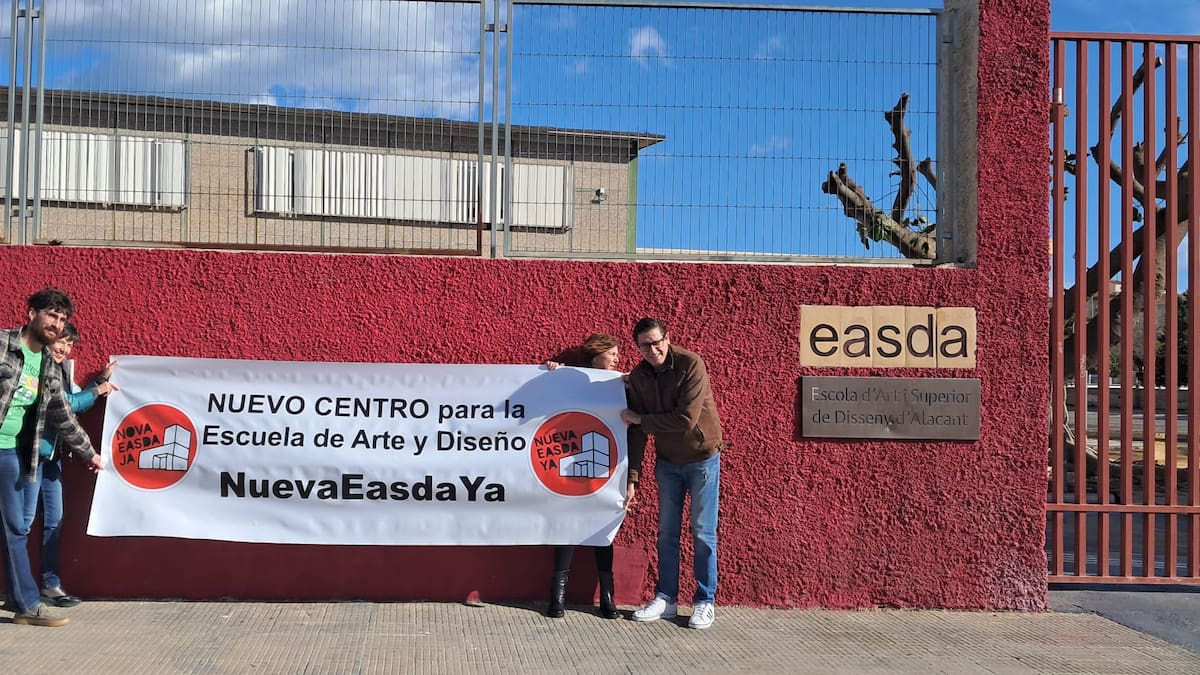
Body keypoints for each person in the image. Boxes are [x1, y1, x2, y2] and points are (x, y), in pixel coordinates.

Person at [0, 288, 103, 627]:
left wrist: (89, 453)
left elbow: (62, 413)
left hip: (10, 452)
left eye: (62, 319)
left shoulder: (47, 364)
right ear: (32, 314)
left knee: (15, 528)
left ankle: (26, 603)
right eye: (51, 315)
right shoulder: (3, 345)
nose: (56, 324)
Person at [620, 318, 724, 630]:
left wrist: (641, 419)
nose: (653, 350)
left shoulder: (691, 364)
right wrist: (632, 478)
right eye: (645, 345)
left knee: (702, 532)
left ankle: (705, 600)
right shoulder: (639, 376)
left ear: (667, 338)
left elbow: (686, 419)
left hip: (702, 458)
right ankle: (666, 598)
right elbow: (636, 431)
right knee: (666, 533)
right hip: (667, 462)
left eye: (657, 342)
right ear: (637, 347)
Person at [543, 333, 640, 619]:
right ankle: (557, 595)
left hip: (608, 467)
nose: (617, 359)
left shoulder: (623, 386)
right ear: (596, 355)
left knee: (603, 527)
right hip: (570, 462)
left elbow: (636, 435)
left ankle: (607, 596)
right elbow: (544, 402)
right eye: (612, 353)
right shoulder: (571, 379)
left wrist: (631, 479)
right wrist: (553, 373)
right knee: (567, 525)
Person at [25, 323, 117, 608]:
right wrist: (98, 389)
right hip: (30, 458)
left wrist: (99, 382)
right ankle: (22, 590)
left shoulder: (62, 372)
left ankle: (50, 585)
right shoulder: (35, 369)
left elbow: (79, 403)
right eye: (60, 342)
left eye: (69, 345)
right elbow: (66, 405)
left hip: (52, 461)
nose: (64, 349)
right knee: (22, 524)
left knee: (54, 521)